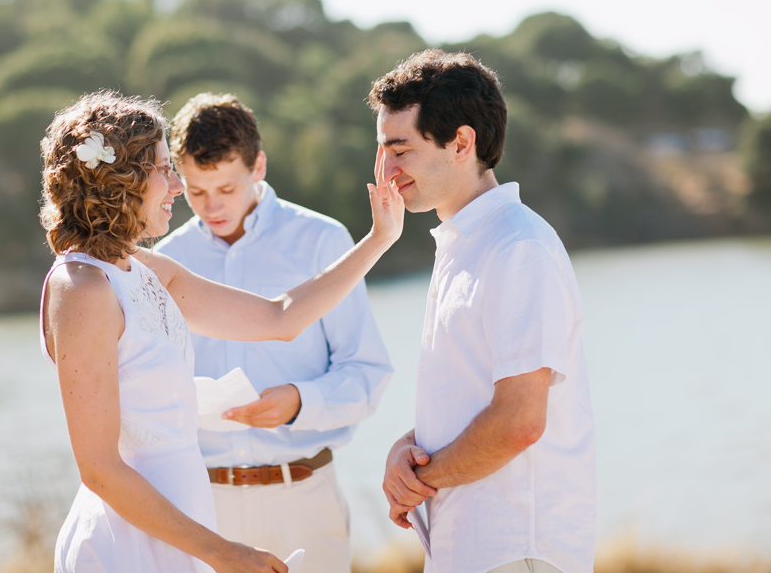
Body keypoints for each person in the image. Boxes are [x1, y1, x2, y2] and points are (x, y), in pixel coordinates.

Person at [38, 91, 403, 573]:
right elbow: (100, 469)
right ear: (121, 181)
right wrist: (221, 551)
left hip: (185, 526)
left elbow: (280, 318)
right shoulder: (81, 288)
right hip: (132, 540)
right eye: (165, 170)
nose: (175, 187)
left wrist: (379, 240)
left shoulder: (146, 268)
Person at [372, 50, 596, 573]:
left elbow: (519, 420)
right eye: (383, 149)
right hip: (474, 548)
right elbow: (472, 400)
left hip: (515, 550)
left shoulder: (517, 247)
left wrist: (420, 480)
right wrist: (408, 450)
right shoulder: (464, 244)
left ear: (461, 142)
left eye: (399, 149)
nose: (386, 169)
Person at [154, 93, 392, 573]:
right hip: (204, 507)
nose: (212, 206)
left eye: (226, 188)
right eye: (197, 192)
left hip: (304, 498)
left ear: (258, 166)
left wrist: (300, 401)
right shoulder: (166, 260)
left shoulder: (323, 240)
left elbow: (367, 373)